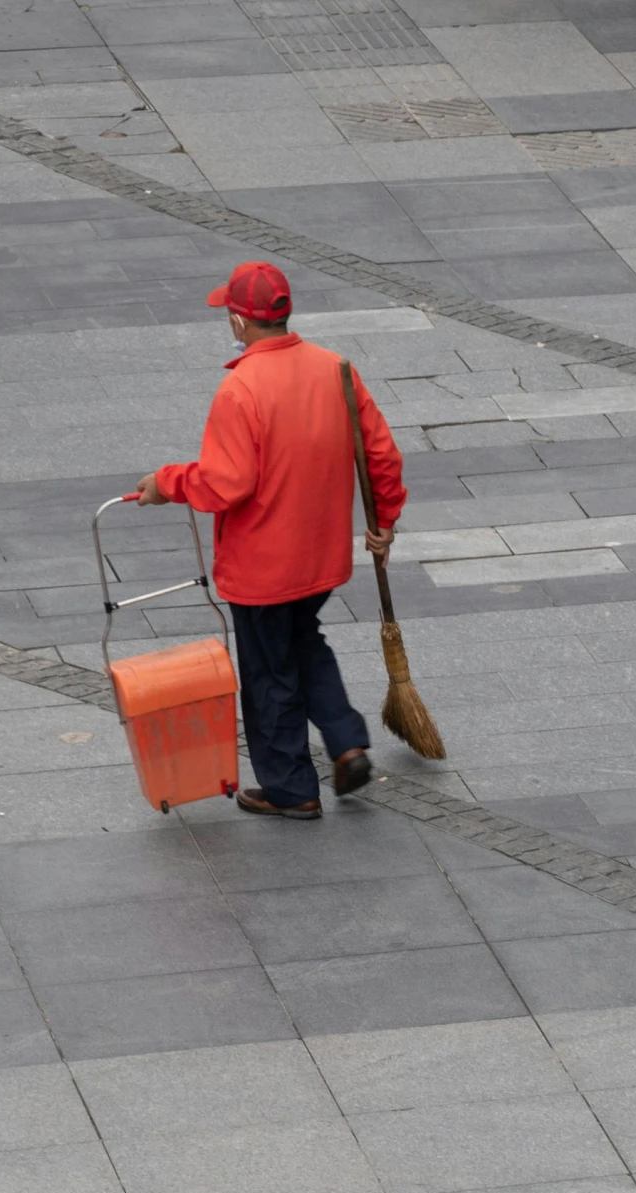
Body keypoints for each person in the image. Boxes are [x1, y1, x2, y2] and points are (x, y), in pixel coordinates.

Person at [135, 261, 406, 820]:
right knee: (305, 641)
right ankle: (346, 740)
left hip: (262, 569)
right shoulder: (337, 369)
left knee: (269, 673)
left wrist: (166, 482)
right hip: (320, 557)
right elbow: (378, 452)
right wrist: (385, 520)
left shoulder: (241, 389)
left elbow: (225, 484)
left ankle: (290, 788)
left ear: (238, 322)